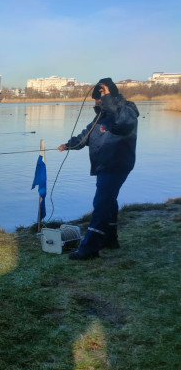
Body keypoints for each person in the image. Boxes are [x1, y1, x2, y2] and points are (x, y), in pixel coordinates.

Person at [57, 77, 139, 260]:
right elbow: (86, 136)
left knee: (101, 204)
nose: (96, 102)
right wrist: (69, 145)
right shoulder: (102, 116)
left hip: (116, 164)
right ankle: (110, 239)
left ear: (109, 96)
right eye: (96, 98)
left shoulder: (126, 112)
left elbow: (121, 125)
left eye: (99, 98)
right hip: (104, 165)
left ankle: (90, 249)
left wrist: (108, 97)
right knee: (109, 201)